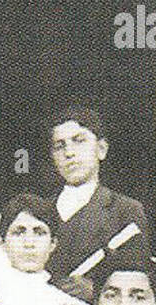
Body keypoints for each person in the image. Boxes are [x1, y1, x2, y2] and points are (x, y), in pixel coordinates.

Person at [47, 107, 150, 285]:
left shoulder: (125, 210)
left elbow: (138, 279)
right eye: (59, 146)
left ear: (101, 149)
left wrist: (95, 291)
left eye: (79, 141)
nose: (69, 153)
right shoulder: (40, 210)